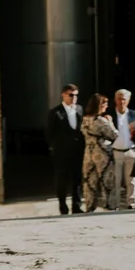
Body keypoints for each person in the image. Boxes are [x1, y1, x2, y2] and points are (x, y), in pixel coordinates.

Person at [44, 84, 86, 215]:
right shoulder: (55, 112)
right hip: (61, 153)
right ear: (63, 95)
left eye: (76, 95)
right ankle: (63, 207)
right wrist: (54, 148)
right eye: (71, 95)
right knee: (61, 180)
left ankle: (77, 206)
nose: (74, 98)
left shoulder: (79, 109)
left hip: (78, 151)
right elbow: (49, 133)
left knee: (77, 179)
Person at [106, 89, 135, 211]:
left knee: (132, 180)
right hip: (115, 152)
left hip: (131, 151)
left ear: (128, 100)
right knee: (115, 180)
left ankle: (131, 204)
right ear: (115, 100)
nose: (121, 101)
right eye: (119, 98)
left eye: (124, 99)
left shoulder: (134, 114)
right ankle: (114, 204)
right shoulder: (109, 114)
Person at [80, 94, 117, 213]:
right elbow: (114, 135)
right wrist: (110, 122)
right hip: (102, 153)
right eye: (104, 103)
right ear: (99, 105)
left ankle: (90, 207)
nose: (106, 105)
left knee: (90, 181)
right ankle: (110, 206)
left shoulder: (85, 119)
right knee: (107, 180)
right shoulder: (101, 120)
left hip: (88, 153)